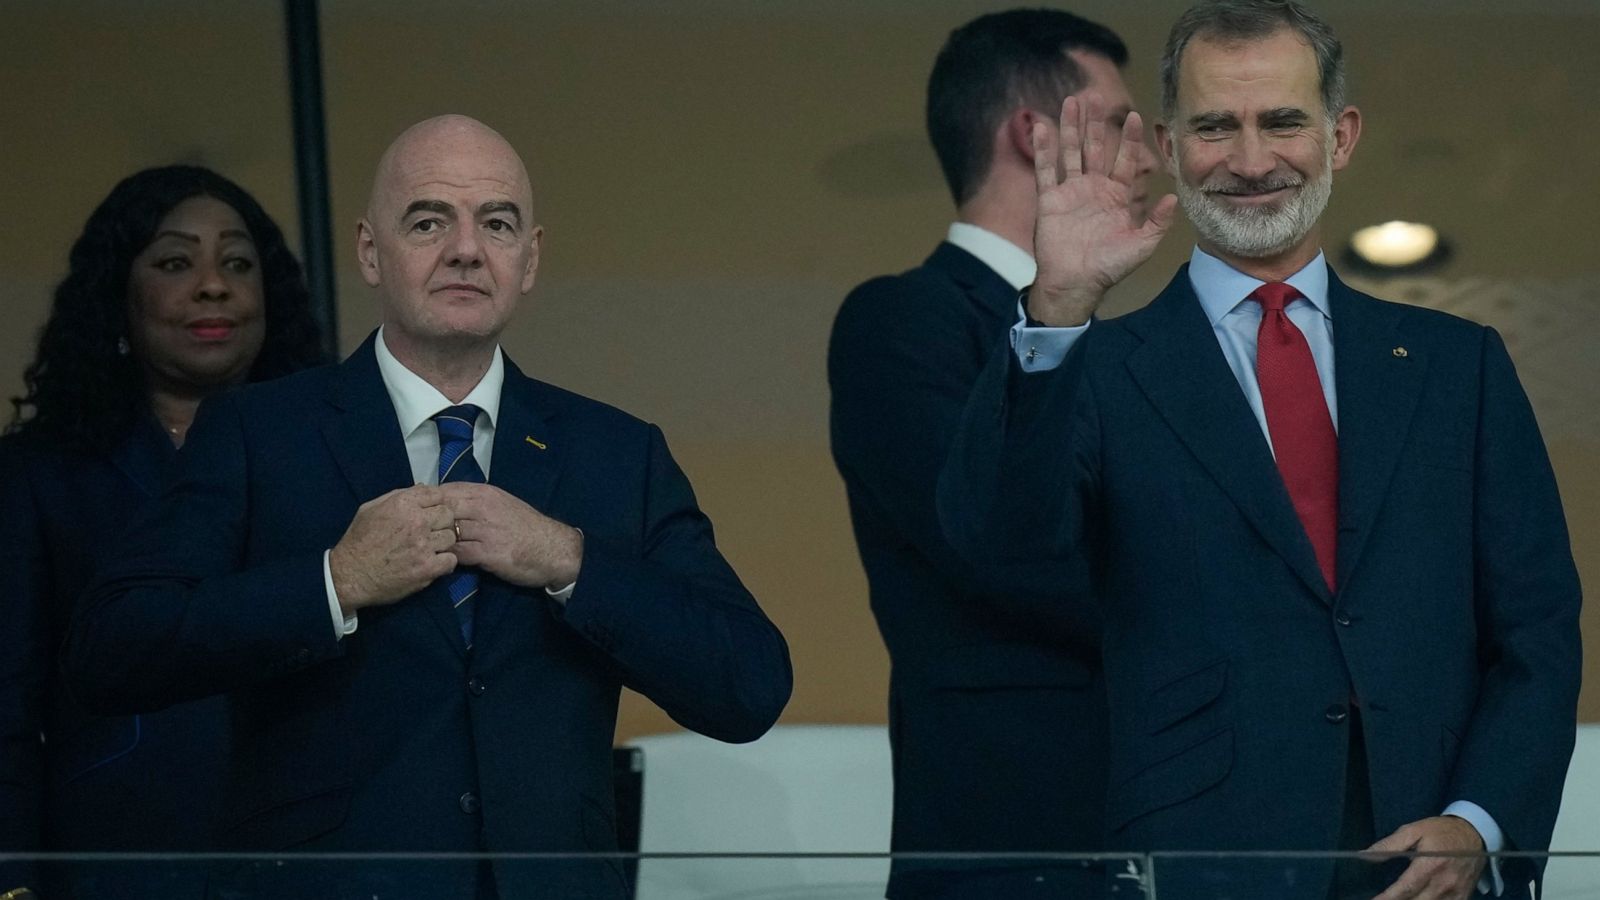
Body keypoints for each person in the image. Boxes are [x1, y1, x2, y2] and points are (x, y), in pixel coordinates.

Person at [937, 2, 1581, 899]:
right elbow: (999, 548)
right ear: (1170, 146)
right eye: (1214, 127)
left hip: (1428, 851)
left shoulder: (1458, 364)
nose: (1249, 161)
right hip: (1203, 861)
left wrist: (1481, 820)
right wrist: (1057, 306)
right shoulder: (1098, 367)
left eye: (1282, 121)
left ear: (1340, 137)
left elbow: (1537, 627)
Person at [64, 115, 793, 899]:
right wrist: (335, 582)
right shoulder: (258, 434)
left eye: (497, 223)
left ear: (530, 258)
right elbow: (113, 648)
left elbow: (749, 685)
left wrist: (568, 559)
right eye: (428, 221)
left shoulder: (617, 454)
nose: (467, 249)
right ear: (369, 251)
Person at [827, 10, 1161, 898]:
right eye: (1118, 123)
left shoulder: (1126, 349)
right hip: (1006, 838)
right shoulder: (904, 321)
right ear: (1033, 134)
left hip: (1146, 829)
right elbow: (996, 548)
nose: (1149, 158)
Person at [0, 165, 328, 900]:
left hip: (307, 857)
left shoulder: (330, 457)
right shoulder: (40, 476)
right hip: (120, 861)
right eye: (176, 263)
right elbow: (6, 710)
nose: (213, 286)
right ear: (119, 296)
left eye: (237, 263)